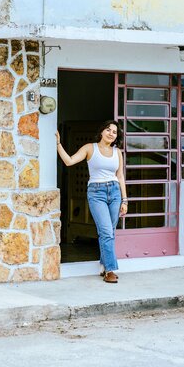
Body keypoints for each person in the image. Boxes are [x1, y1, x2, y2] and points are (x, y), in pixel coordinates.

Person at [56, 120, 128, 283]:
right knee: (106, 231)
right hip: (97, 193)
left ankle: (104, 265)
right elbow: (69, 161)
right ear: (102, 131)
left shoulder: (117, 152)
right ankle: (110, 270)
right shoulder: (90, 148)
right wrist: (59, 144)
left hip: (115, 192)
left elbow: (120, 176)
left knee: (109, 232)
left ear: (116, 136)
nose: (111, 133)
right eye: (108, 130)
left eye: (114, 132)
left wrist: (125, 200)